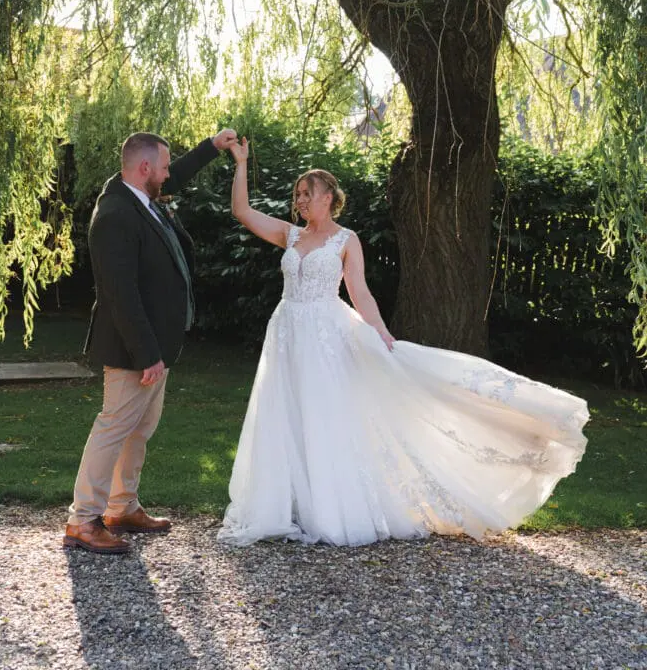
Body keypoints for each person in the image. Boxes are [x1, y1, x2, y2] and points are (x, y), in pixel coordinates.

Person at [218, 138, 589, 547]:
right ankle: (291, 505)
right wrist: (241, 163)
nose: (301, 201)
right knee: (287, 413)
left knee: (325, 415)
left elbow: (359, 292)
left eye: (308, 194)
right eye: (298, 195)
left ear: (329, 197)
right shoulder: (289, 236)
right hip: (287, 332)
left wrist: (380, 333)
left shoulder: (346, 240)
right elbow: (242, 211)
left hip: (325, 334)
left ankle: (329, 508)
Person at [64, 128, 237, 554]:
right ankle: (84, 520)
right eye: (162, 166)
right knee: (113, 428)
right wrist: (146, 355)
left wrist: (211, 148)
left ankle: (122, 507)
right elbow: (120, 294)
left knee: (138, 429)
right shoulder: (115, 216)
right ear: (144, 169)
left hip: (154, 348)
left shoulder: (139, 196)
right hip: (133, 350)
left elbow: (173, 177)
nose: (168, 174)